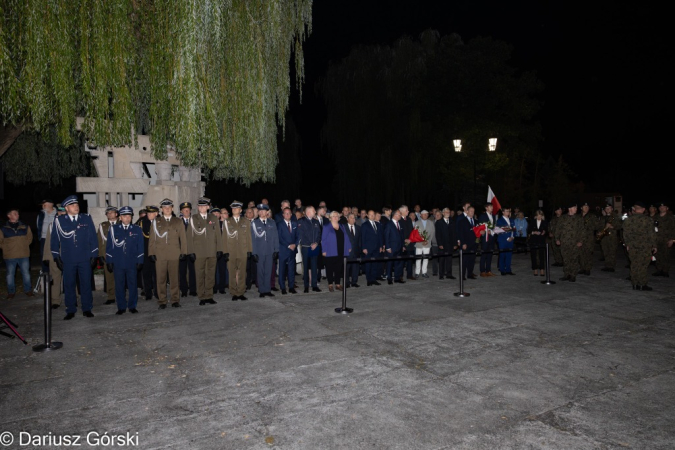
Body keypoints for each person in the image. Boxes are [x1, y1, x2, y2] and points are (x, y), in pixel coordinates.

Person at [50, 195, 98, 319]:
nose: (76, 207)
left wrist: (94, 255)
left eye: (76, 205)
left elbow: (93, 237)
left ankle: (87, 308)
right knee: (69, 285)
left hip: (84, 258)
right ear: (66, 208)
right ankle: (70, 309)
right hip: (68, 259)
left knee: (86, 284)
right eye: (72, 205)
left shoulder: (86, 218)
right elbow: (54, 240)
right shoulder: (59, 221)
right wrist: (56, 257)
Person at [105, 206, 144, 315]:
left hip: (132, 262)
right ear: (120, 217)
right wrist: (109, 261)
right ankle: (121, 306)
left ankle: (132, 306)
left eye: (129, 216)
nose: (127, 218)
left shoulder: (136, 229)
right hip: (118, 262)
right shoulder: (113, 229)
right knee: (119, 285)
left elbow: (140, 246)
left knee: (133, 285)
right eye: (125, 216)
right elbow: (109, 246)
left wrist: (140, 260)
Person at [149, 199, 187, 309]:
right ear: (161, 209)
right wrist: (151, 252)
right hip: (160, 254)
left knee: (174, 278)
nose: (167, 209)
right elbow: (152, 239)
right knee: (161, 278)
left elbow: (183, 239)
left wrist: (184, 252)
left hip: (174, 253)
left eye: (169, 207)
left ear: (172, 208)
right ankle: (162, 300)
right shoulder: (156, 222)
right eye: (164, 207)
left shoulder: (178, 221)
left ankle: (175, 299)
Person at [187, 197, 222, 306]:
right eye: (200, 206)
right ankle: (201, 296)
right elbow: (189, 236)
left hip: (211, 251)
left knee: (210, 274)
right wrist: (191, 251)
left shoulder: (213, 218)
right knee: (200, 274)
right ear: (198, 207)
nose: (202, 207)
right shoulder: (193, 218)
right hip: (199, 252)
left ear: (208, 207)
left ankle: (209, 295)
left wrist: (219, 249)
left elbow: (218, 235)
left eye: (204, 206)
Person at [623, 201, 657, 290]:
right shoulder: (648, 220)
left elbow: (625, 234)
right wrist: (654, 245)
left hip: (633, 246)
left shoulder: (628, 220)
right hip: (645, 246)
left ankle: (635, 284)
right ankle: (642, 284)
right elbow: (652, 234)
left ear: (634, 209)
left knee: (634, 264)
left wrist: (627, 244)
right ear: (643, 209)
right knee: (643, 265)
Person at [222, 201, 252, 301]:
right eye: (233, 208)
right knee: (232, 273)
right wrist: (225, 251)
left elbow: (248, 237)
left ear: (240, 210)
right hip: (231, 251)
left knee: (242, 272)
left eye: (236, 208)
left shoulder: (246, 221)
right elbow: (224, 238)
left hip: (242, 251)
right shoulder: (227, 222)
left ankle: (241, 292)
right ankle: (234, 292)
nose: (234, 209)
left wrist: (249, 250)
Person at [1, 208, 34, 299]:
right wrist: (7, 248)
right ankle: (11, 292)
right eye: (15, 213)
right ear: (9, 216)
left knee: (26, 273)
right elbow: (0, 241)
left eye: (18, 214)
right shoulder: (3, 228)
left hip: (24, 254)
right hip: (10, 256)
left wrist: (24, 245)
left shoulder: (25, 226)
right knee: (10, 274)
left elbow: (29, 238)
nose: (17, 215)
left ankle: (28, 290)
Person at [251, 204, 279, 298]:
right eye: (260, 211)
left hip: (270, 251)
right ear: (258, 212)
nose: (262, 212)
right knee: (260, 271)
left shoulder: (272, 223)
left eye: (264, 211)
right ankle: (262, 290)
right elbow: (253, 239)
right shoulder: (254, 223)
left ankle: (267, 289)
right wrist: (254, 252)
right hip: (259, 251)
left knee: (268, 271)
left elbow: (275, 237)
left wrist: (276, 250)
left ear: (267, 212)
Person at [321, 211, 351, 291]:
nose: (335, 217)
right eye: (333, 216)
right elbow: (323, 239)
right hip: (330, 250)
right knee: (330, 268)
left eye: (337, 216)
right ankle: (330, 284)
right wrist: (324, 250)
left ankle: (338, 284)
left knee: (338, 268)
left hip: (340, 250)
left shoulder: (341, 226)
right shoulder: (327, 226)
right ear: (330, 218)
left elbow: (346, 237)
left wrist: (348, 246)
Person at [556, 203, 583, 282]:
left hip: (575, 242)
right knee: (566, 259)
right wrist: (557, 239)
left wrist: (581, 241)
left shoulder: (579, 218)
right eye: (575, 207)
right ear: (570, 208)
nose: (576, 209)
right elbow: (558, 229)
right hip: (564, 242)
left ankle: (573, 275)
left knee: (574, 259)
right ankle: (566, 274)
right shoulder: (562, 218)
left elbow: (582, 231)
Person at [97, 206, 119, 305]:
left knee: (120, 276)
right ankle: (111, 296)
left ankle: (120, 295)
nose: (110, 214)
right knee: (109, 276)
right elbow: (100, 241)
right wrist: (100, 255)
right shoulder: (103, 226)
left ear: (116, 214)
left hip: (120, 255)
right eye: (108, 213)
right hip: (107, 255)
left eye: (112, 212)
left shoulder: (122, 224)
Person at [298, 206, 322, 293]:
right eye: (313, 210)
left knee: (314, 266)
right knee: (306, 267)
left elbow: (319, 233)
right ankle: (306, 286)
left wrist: (316, 243)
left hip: (315, 247)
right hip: (306, 247)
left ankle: (314, 285)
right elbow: (302, 235)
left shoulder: (316, 221)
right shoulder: (301, 221)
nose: (315, 211)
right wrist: (310, 244)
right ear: (308, 212)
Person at [138, 205, 159, 301]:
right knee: (146, 272)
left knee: (157, 273)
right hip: (145, 251)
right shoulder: (142, 222)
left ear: (156, 214)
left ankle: (157, 292)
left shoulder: (160, 222)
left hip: (157, 251)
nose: (149, 215)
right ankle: (148, 293)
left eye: (152, 213)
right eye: (148, 213)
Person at [277, 207, 299, 295]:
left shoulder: (294, 223)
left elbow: (298, 235)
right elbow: (279, 237)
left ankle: (291, 287)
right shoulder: (279, 224)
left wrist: (295, 244)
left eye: (289, 213)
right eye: (286, 213)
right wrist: (288, 245)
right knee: (282, 270)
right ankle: (282, 287)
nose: (287, 215)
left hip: (292, 250)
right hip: (283, 250)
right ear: (283, 215)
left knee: (291, 270)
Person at [178, 202, 198, 297]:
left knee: (193, 270)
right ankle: (184, 290)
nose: (186, 211)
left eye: (188, 209)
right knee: (182, 271)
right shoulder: (177, 222)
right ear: (181, 211)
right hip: (181, 250)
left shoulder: (194, 221)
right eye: (184, 209)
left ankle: (193, 289)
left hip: (192, 250)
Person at [360, 210, 384, 286]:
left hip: (377, 248)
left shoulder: (377, 224)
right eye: (370, 215)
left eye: (373, 214)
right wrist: (364, 248)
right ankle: (369, 280)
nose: (372, 216)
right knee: (368, 264)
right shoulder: (364, 225)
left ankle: (373, 279)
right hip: (368, 248)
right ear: (367, 215)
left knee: (375, 264)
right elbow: (362, 237)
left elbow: (380, 236)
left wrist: (381, 246)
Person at [598, 204, 622, 273]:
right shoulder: (603, 218)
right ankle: (607, 265)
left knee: (612, 251)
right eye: (606, 208)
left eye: (609, 208)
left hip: (612, 237)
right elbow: (600, 226)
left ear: (612, 209)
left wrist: (612, 226)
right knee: (605, 251)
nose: (607, 209)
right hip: (604, 237)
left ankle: (611, 266)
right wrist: (600, 232)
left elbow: (620, 226)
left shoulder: (615, 217)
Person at [652, 202, 674, 277]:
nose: (662, 208)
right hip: (657, 239)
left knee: (666, 255)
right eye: (660, 207)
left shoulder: (671, 217)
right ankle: (659, 269)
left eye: (664, 207)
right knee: (657, 255)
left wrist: (673, 240)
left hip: (666, 239)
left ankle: (665, 271)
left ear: (667, 208)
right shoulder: (656, 217)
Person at [579, 202, 601, 276]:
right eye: (585, 207)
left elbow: (597, 226)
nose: (586, 208)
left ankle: (587, 268)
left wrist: (591, 228)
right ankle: (582, 267)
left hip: (589, 238)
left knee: (588, 253)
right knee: (581, 253)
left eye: (587, 207)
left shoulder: (592, 216)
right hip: (580, 238)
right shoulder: (578, 217)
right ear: (581, 208)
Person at [384, 210, 406, 284]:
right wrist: (387, 247)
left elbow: (401, 236)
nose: (400, 215)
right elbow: (386, 236)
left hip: (399, 247)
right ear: (395, 215)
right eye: (399, 214)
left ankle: (397, 278)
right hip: (391, 248)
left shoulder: (399, 223)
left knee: (399, 263)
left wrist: (403, 245)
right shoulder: (389, 224)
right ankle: (389, 278)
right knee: (390, 263)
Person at [435, 208, 456, 280]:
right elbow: (438, 234)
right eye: (446, 212)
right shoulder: (439, 222)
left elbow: (454, 234)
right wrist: (440, 244)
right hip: (442, 244)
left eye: (449, 212)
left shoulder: (452, 222)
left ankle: (449, 274)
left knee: (449, 260)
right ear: (443, 213)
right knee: (442, 260)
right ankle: (441, 274)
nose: (448, 213)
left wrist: (455, 244)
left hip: (450, 244)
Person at [457, 205, 478, 280]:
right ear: (467, 211)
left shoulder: (475, 221)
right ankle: (462, 275)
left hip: (474, 243)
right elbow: (460, 233)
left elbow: (477, 232)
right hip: (466, 243)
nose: (472, 213)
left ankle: (470, 274)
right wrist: (463, 243)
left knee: (472, 259)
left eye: (473, 211)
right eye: (471, 211)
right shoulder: (462, 221)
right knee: (464, 260)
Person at [414, 210, 436, 279]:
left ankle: (424, 272)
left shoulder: (431, 222)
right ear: (421, 215)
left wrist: (427, 240)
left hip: (427, 243)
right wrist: (421, 241)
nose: (426, 215)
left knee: (426, 258)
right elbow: (416, 233)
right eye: (424, 214)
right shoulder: (417, 223)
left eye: (427, 214)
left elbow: (432, 232)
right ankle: (417, 273)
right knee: (418, 258)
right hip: (419, 244)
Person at [37, 199, 57, 273]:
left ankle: (55, 272)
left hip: (55, 238)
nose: (42, 206)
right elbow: (38, 226)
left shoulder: (57, 213)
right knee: (44, 256)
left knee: (55, 255)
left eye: (44, 204)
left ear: (51, 204)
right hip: (44, 238)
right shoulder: (41, 214)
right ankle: (46, 274)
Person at [477, 203, 497, 277]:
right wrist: (486, 230)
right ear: (486, 208)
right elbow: (480, 225)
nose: (492, 208)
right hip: (485, 237)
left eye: (492, 206)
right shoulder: (482, 216)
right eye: (490, 206)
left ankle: (488, 270)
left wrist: (493, 230)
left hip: (492, 237)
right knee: (484, 254)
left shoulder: (494, 216)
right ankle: (482, 271)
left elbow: (494, 226)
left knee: (490, 254)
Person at [214, 207, 229, 294]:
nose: (225, 214)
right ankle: (215, 286)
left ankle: (222, 287)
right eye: (223, 213)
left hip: (225, 249)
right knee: (215, 269)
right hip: (216, 249)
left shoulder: (229, 223)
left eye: (226, 213)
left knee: (223, 269)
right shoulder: (216, 224)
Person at [496, 207, 516, 275]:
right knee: (502, 255)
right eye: (507, 211)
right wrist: (507, 238)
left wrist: (512, 237)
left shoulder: (511, 220)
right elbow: (499, 230)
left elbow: (514, 229)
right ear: (503, 212)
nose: (508, 212)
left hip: (511, 240)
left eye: (509, 211)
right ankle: (502, 269)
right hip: (503, 240)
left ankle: (508, 269)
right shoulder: (499, 220)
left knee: (509, 255)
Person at [399, 205, 416, 280]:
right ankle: (400, 275)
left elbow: (412, 231)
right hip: (402, 243)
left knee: (410, 260)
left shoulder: (409, 219)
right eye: (407, 210)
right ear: (402, 211)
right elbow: (398, 232)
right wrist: (403, 240)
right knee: (401, 261)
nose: (408, 212)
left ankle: (409, 275)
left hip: (410, 243)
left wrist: (411, 239)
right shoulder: (399, 220)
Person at [528, 210, 548, 276]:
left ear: (542, 216)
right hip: (533, 240)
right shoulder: (532, 222)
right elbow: (528, 230)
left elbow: (547, 230)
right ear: (535, 216)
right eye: (538, 216)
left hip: (541, 240)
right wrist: (533, 232)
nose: (539, 217)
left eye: (540, 216)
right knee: (533, 255)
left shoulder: (545, 222)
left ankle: (542, 269)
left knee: (541, 255)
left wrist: (544, 232)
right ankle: (535, 269)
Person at [344, 213, 361, 288]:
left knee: (355, 267)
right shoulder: (343, 227)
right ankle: (346, 282)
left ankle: (354, 281)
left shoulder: (358, 228)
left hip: (356, 251)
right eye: (351, 218)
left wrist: (360, 249)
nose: (353, 219)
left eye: (354, 218)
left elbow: (360, 240)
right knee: (347, 268)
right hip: (347, 251)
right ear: (347, 219)